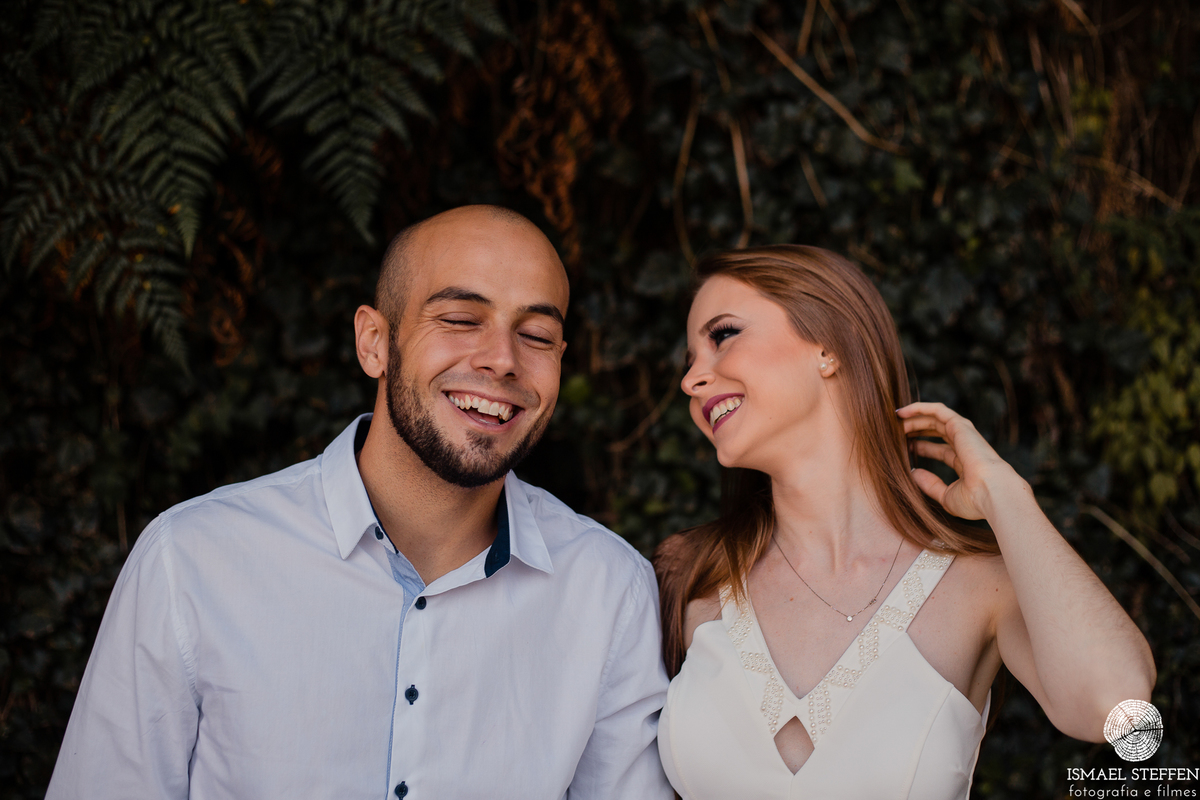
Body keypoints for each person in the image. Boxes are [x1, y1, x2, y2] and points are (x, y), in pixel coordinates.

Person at [47, 205, 672, 800]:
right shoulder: (191, 560)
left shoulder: (609, 591)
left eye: (536, 335)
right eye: (459, 319)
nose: (502, 360)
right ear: (373, 341)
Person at [654, 245, 1155, 799]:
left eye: (722, 335)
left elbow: (1120, 713)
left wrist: (1006, 496)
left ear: (827, 346)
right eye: (688, 360)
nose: (692, 379)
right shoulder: (690, 575)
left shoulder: (979, 584)